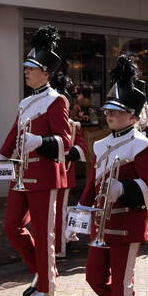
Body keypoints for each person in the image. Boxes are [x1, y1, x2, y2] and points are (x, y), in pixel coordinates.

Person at [77, 56, 148, 296]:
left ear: (132, 115)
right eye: (108, 110)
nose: (110, 114)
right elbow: (92, 184)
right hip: (102, 222)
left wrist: (123, 189)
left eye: (117, 111)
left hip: (128, 222)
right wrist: (79, 212)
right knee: (94, 278)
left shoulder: (142, 144)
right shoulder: (101, 145)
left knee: (123, 284)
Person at [0, 26, 71, 296]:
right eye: (26, 68)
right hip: (20, 174)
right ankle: (43, 273)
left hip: (44, 176)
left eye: (31, 69)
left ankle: (46, 289)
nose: (26, 72)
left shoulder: (57, 101)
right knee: (11, 227)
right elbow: (13, 136)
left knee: (44, 235)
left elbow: (65, 142)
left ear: (46, 72)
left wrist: (40, 142)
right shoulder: (25, 102)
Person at [52, 73, 86, 260]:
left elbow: (81, 148)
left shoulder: (73, 126)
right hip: (44, 174)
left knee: (59, 212)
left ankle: (59, 247)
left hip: (64, 173)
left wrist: (66, 152)